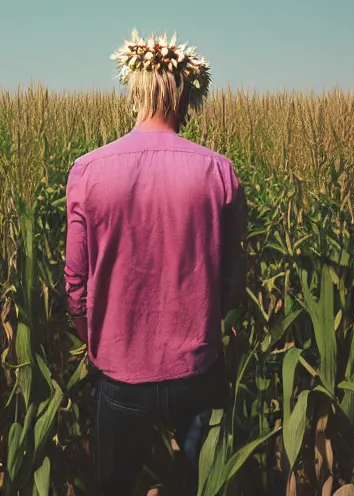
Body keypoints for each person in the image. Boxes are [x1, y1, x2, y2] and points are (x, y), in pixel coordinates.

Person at [64, 29, 248, 496]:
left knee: (117, 486)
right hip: (198, 371)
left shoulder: (87, 172)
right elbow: (232, 282)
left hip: (121, 373)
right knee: (197, 487)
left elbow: (75, 285)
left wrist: (95, 340)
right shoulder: (219, 172)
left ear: (134, 89)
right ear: (187, 96)